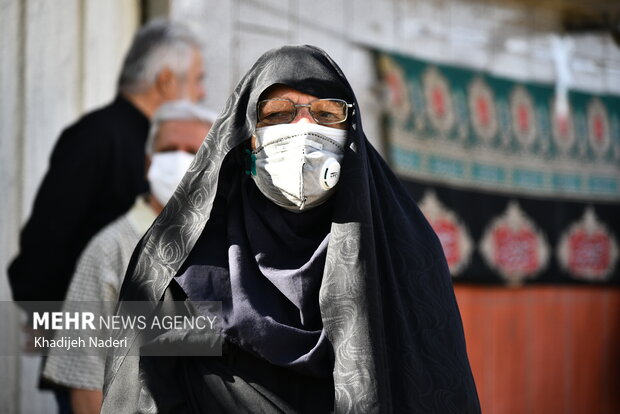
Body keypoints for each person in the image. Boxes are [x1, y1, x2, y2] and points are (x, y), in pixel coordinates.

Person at [101, 45, 480, 413]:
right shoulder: (179, 265)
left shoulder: (402, 255)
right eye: (279, 114)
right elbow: (148, 393)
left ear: (351, 135)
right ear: (247, 136)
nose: (303, 131)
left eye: (326, 114)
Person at [7, 19, 205, 413]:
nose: (202, 92)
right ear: (166, 80)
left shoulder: (164, 145)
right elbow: (40, 251)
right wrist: (54, 323)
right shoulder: (97, 138)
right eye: (198, 79)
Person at [40, 101, 215, 414]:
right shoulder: (111, 248)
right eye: (169, 149)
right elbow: (84, 381)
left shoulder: (227, 244)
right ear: (149, 163)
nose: (179, 160)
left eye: (193, 151)